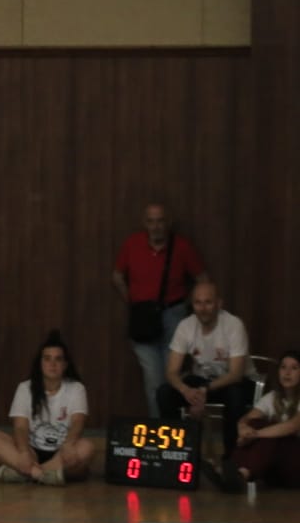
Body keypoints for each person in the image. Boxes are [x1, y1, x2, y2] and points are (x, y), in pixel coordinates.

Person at [112, 204, 207, 416]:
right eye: (151, 221)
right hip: (142, 318)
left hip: (173, 315)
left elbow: (202, 280)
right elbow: (117, 277)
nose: (156, 226)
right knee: (153, 378)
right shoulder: (132, 244)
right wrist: (132, 301)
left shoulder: (182, 247)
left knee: (173, 376)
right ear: (144, 223)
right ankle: (160, 431)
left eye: (160, 221)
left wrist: (192, 306)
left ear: (168, 223)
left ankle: (176, 433)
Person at [0, 331, 94, 486]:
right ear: (40, 363)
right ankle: (44, 475)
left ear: (65, 364)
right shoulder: (25, 388)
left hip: (62, 452)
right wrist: (23, 452)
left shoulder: (76, 388)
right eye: (47, 359)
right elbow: (20, 427)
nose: (52, 364)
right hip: (31, 451)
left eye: (58, 359)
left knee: (87, 447)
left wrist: (68, 444)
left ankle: (26, 473)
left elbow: (78, 422)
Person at [156, 281, 252, 457]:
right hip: (201, 381)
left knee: (235, 396)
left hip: (232, 382)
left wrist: (204, 390)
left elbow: (236, 374)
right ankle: (176, 453)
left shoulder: (233, 325)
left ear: (219, 303)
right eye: (198, 303)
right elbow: (171, 372)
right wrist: (186, 391)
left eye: (208, 302)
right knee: (164, 393)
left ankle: (231, 458)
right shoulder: (186, 326)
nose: (203, 308)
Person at [215, 350, 300, 492]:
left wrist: (256, 434)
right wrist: (244, 429)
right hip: (273, 468)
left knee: (271, 432)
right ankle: (236, 473)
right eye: (283, 367)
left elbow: (292, 426)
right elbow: (246, 419)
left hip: (295, 467)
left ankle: (239, 474)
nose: (287, 372)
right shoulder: (273, 397)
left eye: (294, 368)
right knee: (255, 423)